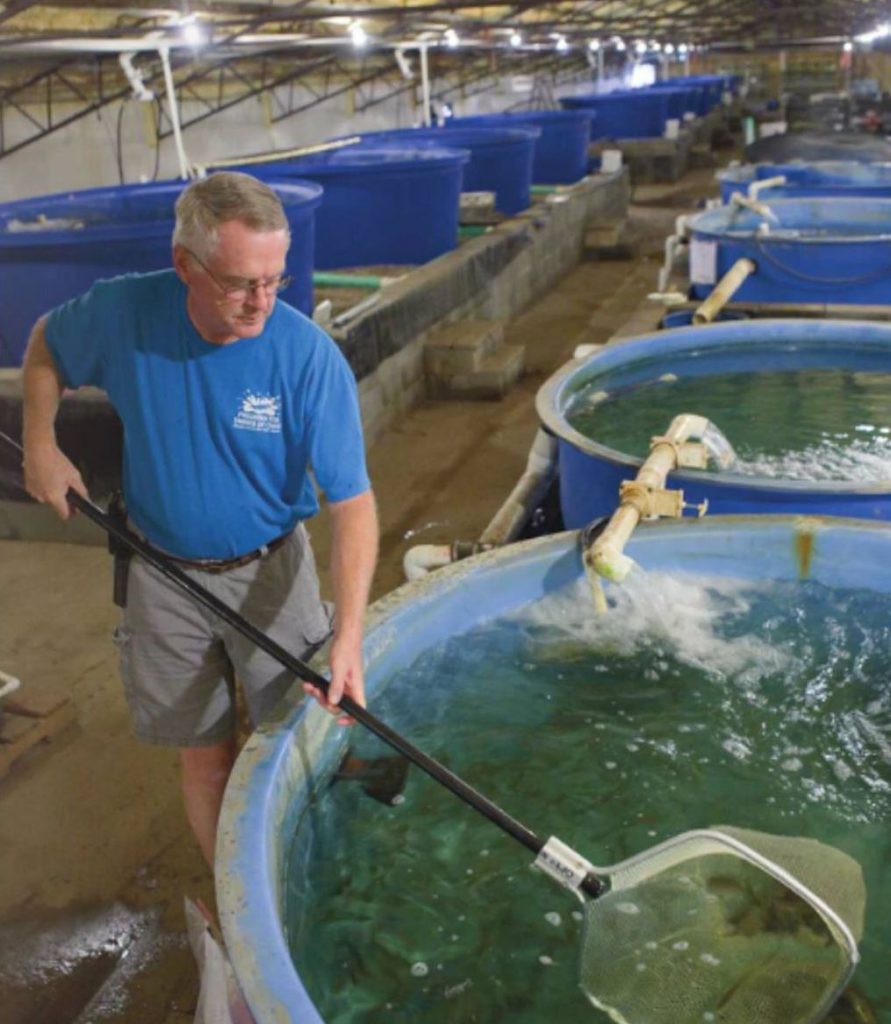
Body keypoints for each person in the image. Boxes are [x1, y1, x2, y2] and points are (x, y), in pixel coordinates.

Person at [20, 171, 378, 868]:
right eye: (242, 282)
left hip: (274, 570)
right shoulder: (125, 313)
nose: (262, 302)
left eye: (275, 279)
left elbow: (353, 503)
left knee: (301, 738)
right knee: (204, 755)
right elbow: (45, 344)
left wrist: (351, 638)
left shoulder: (306, 357)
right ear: (185, 263)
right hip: (161, 573)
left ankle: (314, 876)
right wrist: (41, 443)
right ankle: (234, 894)